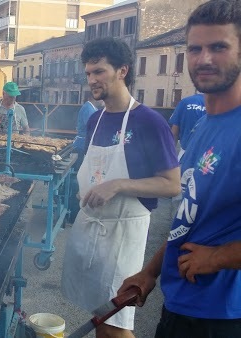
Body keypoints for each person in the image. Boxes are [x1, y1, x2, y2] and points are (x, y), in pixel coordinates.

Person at [119, 1, 241, 337]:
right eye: (195, 48)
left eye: (219, 47)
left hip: (223, 317)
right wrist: (150, 273)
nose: (204, 59)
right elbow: (188, 220)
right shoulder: (202, 125)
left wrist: (217, 258)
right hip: (179, 305)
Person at [60, 37, 180, 338]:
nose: (92, 80)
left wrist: (119, 184)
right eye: (88, 73)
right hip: (92, 232)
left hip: (124, 235)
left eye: (99, 72)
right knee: (101, 317)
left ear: (122, 71)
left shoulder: (149, 121)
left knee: (116, 325)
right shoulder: (96, 120)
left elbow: (171, 184)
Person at [68, 94, 101, 223]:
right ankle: (73, 212)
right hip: (82, 147)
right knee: (78, 179)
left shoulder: (93, 108)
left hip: (86, 146)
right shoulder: (88, 108)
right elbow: (93, 129)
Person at [169, 93, 205, 161]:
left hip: (185, 153)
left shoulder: (185, 102)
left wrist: (170, 155)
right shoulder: (215, 104)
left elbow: (174, 132)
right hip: (205, 155)